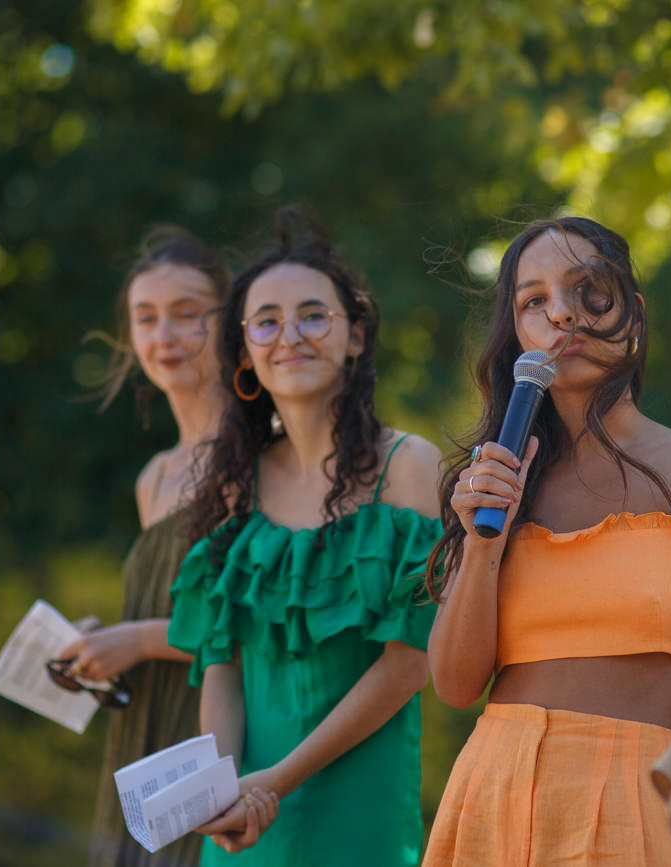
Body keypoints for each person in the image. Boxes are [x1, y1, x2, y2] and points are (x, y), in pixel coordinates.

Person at [422, 217, 671, 866]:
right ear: (518, 335)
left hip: (639, 810)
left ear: (633, 314)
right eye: (534, 301)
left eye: (588, 289)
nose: (562, 314)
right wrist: (479, 545)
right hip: (491, 800)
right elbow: (454, 682)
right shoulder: (497, 480)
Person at [166, 207, 442, 865]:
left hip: (358, 817)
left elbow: (410, 662)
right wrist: (225, 790)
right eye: (266, 320)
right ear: (244, 352)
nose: (289, 334)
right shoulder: (237, 483)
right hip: (245, 824)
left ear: (355, 335)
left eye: (313, 315)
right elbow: (222, 669)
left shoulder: (409, 465)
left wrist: (276, 782)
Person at [63, 227, 230, 867]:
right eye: (146, 318)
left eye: (188, 315)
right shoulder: (153, 476)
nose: (165, 337)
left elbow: (261, 630)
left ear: (230, 322)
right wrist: (103, 645)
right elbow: (173, 612)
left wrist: (135, 640)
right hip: (142, 743)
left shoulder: (265, 457)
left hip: (213, 738)